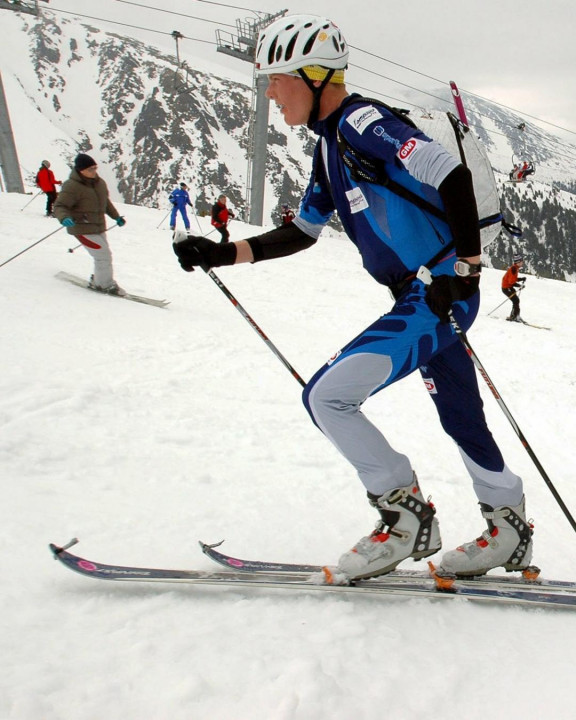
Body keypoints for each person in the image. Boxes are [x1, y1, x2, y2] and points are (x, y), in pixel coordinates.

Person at [172, 14, 531, 582]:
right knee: (462, 416)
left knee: (327, 397)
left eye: (277, 77)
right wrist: (221, 253)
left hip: (437, 296)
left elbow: (452, 176)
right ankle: (508, 527)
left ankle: (403, 516)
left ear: (314, 78)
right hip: (425, 297)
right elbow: (301, 232)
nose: (270, 91)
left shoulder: (361, 123)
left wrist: (464, 269)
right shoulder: (330, 149)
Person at [54, 153, 127, 295]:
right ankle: (104, 285)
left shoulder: (100, 183)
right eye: (90, 169)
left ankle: (99, 279)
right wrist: (64, 218)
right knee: (103, 255)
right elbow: (60, 206)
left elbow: (105, 203)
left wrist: (116, 217)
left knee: (103, 254)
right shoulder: (72, 186)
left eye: (95, 168)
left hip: (98, 227)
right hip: (81, 228)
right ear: (80, 170)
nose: (94, 171)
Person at [500, 254, 526, 322]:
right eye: (521, 261)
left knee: (516, 300)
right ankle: (515, 316)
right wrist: (519, 285)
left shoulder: (515, 268)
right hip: (506, 287)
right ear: (517, 262)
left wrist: (521, 279)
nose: (522, 262)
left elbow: (513, 279)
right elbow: (511, 281)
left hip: (509, 286)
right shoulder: (514, 269)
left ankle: (515, 316)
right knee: (516, 300)